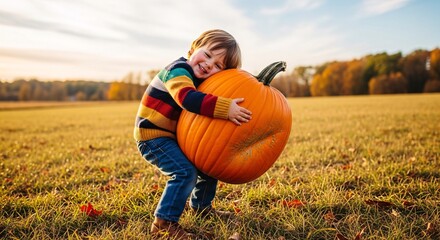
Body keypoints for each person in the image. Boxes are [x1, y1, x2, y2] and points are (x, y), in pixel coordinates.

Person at [134, 29, 252, 239]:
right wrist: (226, 108)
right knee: (184, 172)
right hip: (153, 136)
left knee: (208, 166)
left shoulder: (201, 80)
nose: (208, 64)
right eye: (207, 55)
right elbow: (187, 99)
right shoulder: (177, 71)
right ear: (193, 48)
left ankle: (201, 207)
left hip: (172, 136)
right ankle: (164, 222)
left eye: (218, 65)